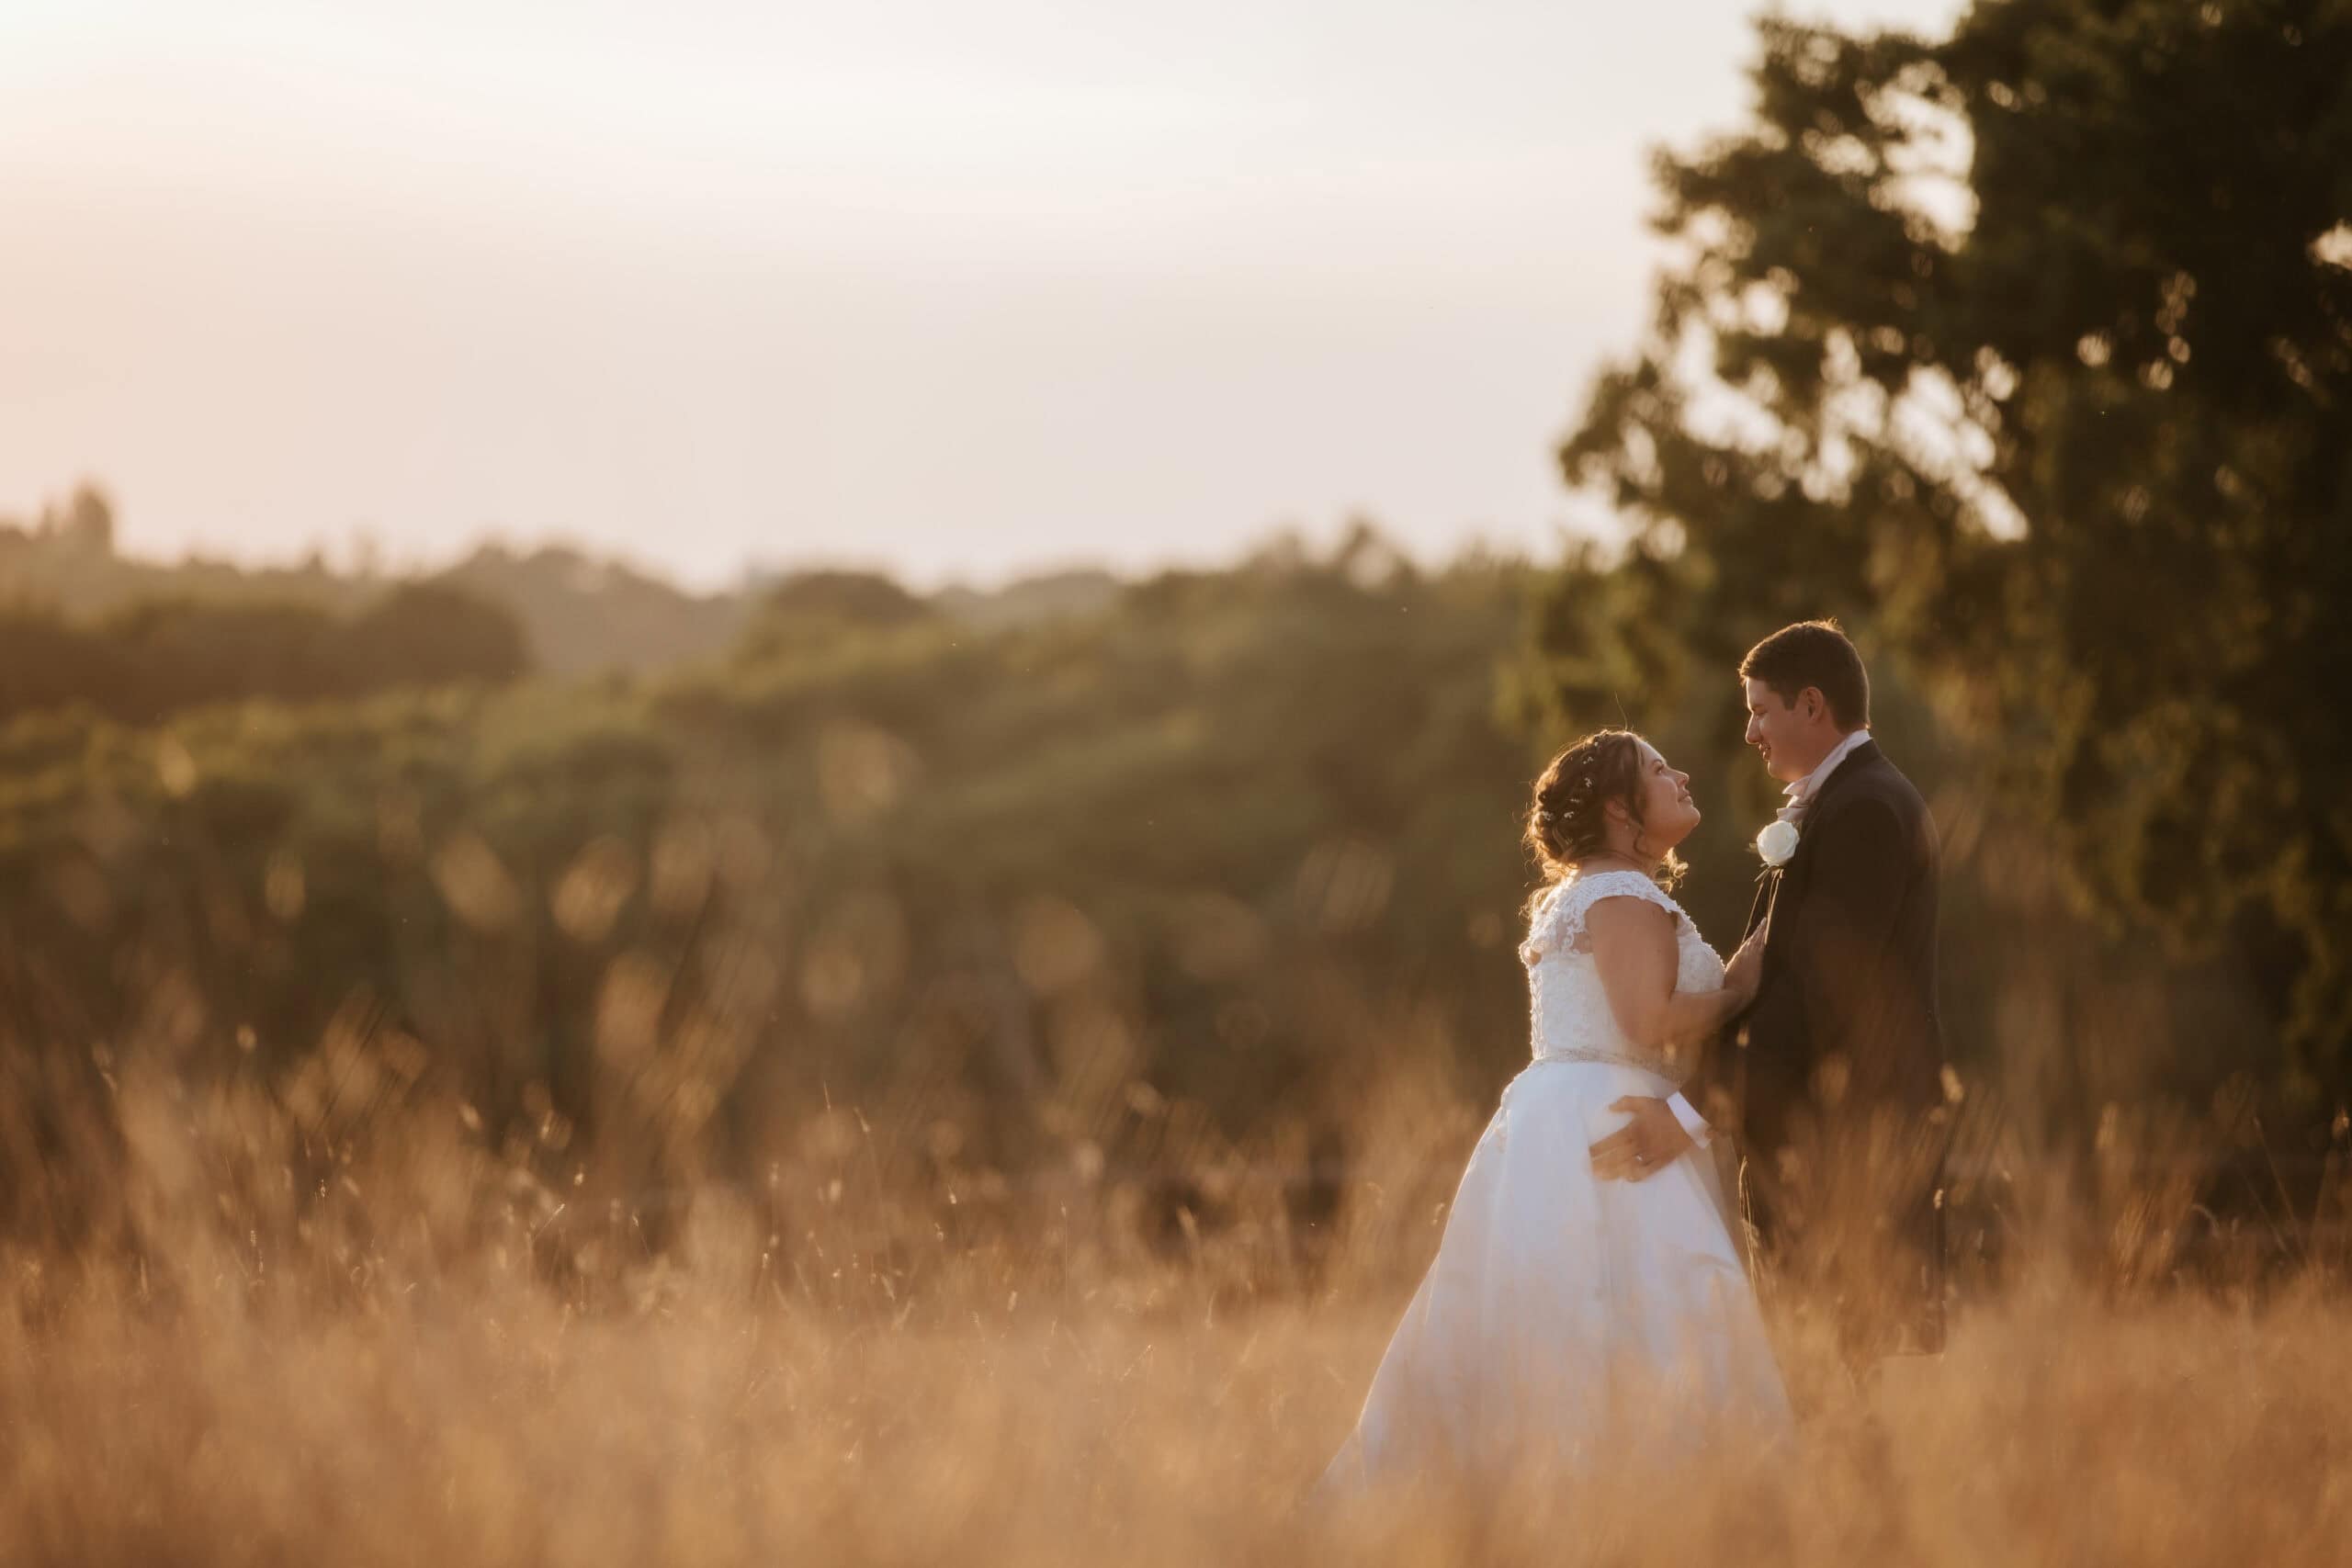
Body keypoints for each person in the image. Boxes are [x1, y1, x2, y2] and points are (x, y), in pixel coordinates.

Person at [1315, 728, 1791, 1495]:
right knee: (1637, 1311)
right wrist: (1739, 991)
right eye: (1660, 770)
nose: (1682, 775)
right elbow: (1647, 1019)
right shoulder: (1621, 891)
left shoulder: (1597, 891)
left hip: (1556, 1112)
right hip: (1608, 1117)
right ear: (1619, 807)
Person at [1598, 620, 1948, 1370]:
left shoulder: (1864, 811)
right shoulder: (1840, 803)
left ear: (1812, 705)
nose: (1750, 731)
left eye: (1760, 710)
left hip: (1849, 1149)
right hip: (1814, 1145)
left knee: (1840, 1379)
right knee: (1816, 1384)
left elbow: (1817, 999)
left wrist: (1691, 1113)